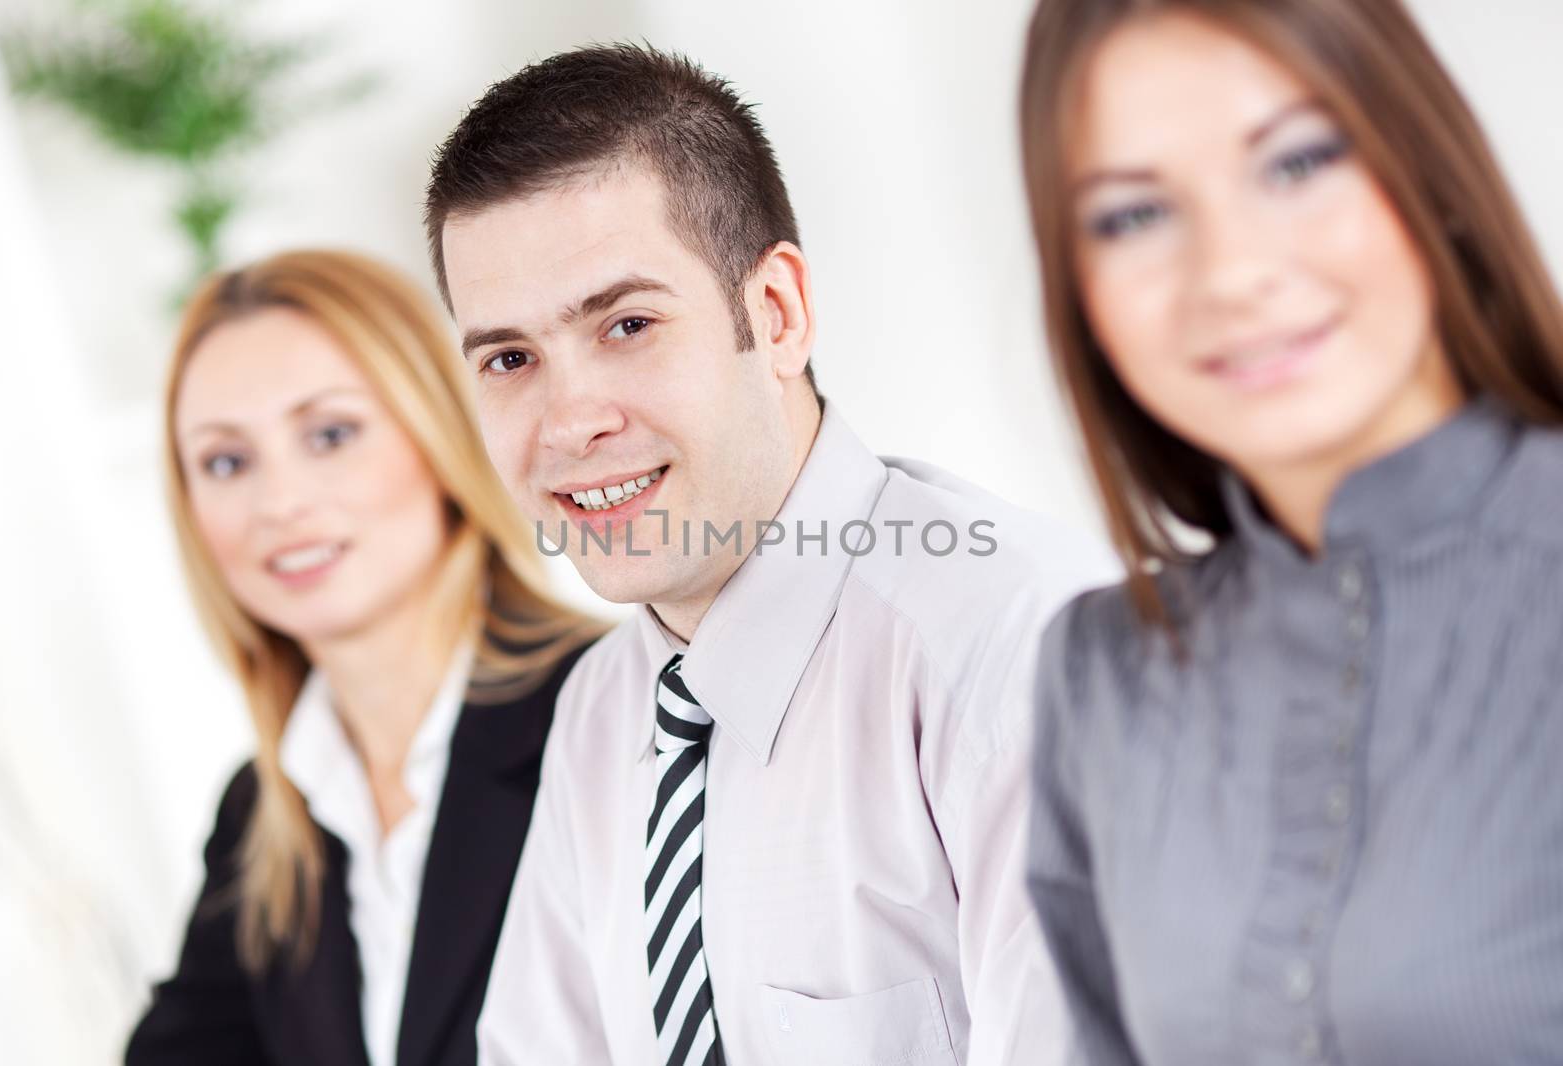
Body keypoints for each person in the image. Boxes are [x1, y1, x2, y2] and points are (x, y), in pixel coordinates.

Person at [422, 43, 1116, 1066]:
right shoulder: (601, 715)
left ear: (777, 314)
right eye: (511, 359)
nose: (569, 423)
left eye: (625, 324)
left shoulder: (1019, 648)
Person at [1018, 1, 1563, 1063]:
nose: (1230, 272)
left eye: (1297, 162)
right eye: (1132, 216)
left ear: (1426, 170)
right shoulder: (1102, 673)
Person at [125, 250, 603, 1066]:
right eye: (227, 461)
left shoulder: (619, 714)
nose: (280, 503)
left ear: (438, 434)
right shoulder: (263, 817)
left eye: (331, 434)